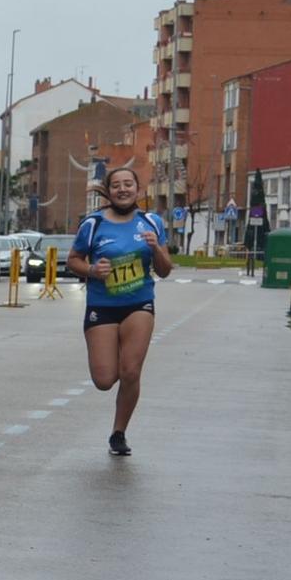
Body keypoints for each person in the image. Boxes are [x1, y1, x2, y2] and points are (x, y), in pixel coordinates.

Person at [66, 167, 172, 456]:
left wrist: (157, 249)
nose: (123, 189)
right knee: (104, 380)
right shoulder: (93, 224)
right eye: (116, 185)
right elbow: (72, 260)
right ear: (109, 191)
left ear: (139, 189)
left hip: (139, 303)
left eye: (128, 184)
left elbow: (164, 271)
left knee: (131, 370)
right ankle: (117, 422)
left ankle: (118, 432)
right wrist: (91, 270)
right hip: (102, 306)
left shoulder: (151, 222)